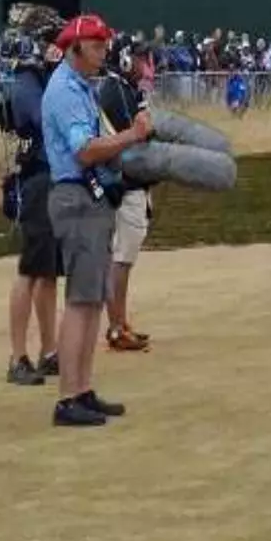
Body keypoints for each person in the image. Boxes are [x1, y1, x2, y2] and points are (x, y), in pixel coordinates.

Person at [41, 13, 152, 428]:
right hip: (76, 196)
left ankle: (82, 389)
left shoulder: (80, 86)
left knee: (89, 298)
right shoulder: (67, 91)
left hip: (88, 196)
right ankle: (68, 396)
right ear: (75, 48)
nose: (104, 52)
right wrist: (132, 135)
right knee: (80, 301)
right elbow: (85, 150)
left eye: (104, 44)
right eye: (96, 46)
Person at [0, 18, 62, 387]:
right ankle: (18, 356)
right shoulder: (27, 82)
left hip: (52, 177)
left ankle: (49, 351)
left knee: (48, 270)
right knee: (30, 269)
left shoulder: (40, 80)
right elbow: (42, 121)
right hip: (37, 180)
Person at [96, 65, 154, 352]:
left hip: (127, 182)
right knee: (121, 258)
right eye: (141, 58)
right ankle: (116, 327)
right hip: (126, 184)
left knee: (123, 258)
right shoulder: (116, 90)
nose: (146, 66)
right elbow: (140, 133)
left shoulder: (121, 88)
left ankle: (120, 322)